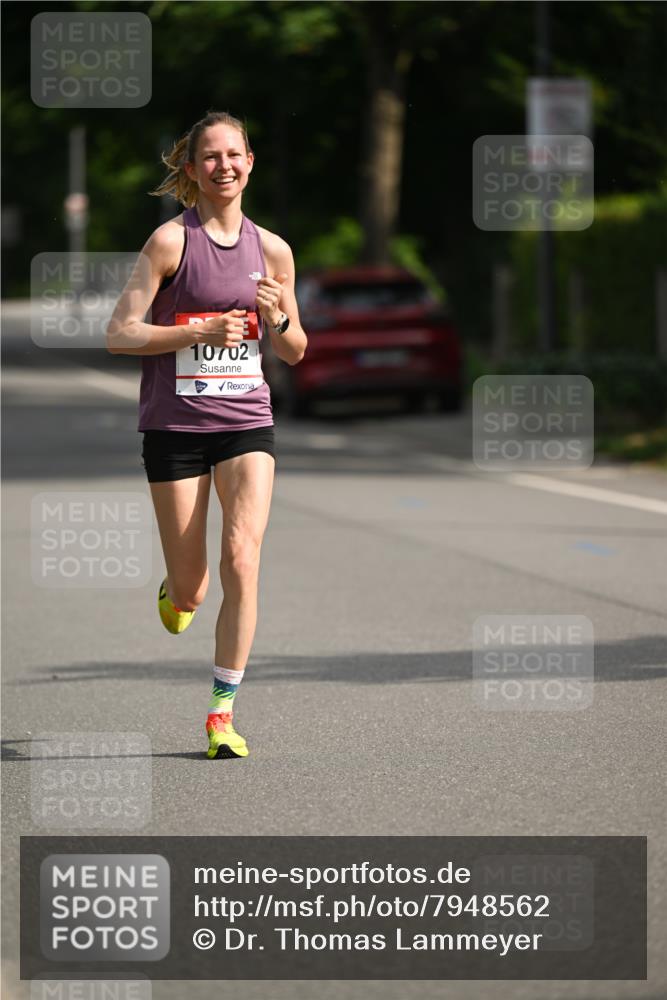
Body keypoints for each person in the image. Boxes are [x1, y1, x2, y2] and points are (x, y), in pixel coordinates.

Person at [107, 110, 307, 759]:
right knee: (193, 587)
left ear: (250, 163)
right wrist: (195, 332)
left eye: (235, 154)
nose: (225, 165)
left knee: (242, 558)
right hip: (175, 428)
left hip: (247, 422)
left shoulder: (272, 250)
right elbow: (120, 333)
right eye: (211, 156)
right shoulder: (171, 243)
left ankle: (222, 712)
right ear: (191, 169)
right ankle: (176, 590)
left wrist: (276, 321)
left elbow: (298, 350)